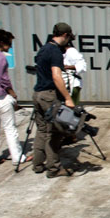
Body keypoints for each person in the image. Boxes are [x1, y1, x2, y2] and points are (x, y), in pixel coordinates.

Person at [0, 29, 32, 168]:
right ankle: (18, 157)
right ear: (2, 43)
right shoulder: (0, 57)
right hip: (0, 97)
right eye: (9, 44)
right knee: (10, 129)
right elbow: (4, 80)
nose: (10, 47)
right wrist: (12, 93)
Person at [32, 22, 76, 178]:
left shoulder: (43, 49)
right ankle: (54, 168)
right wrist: (68, 98)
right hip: (49, 96)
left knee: (42, 130)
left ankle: (37, 164)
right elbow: (57, 76)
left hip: (38, 93)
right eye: (69, 38)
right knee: (55, 132)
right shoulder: (55, 52)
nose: (69, 41)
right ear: (65, 35)